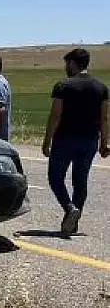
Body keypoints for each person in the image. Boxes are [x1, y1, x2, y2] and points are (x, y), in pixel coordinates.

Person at [41, 48, 110, 235]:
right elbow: (104, 118)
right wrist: (105, 143)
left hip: (65, 139)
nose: (65, 67)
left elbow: (55, 115)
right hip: (89, 141)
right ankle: (73, 222)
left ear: (72, 63)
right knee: (80, 181)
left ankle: (70, 209)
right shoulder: (101, 88)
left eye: (67, 63)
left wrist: (47, 140)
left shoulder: (63, 85)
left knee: (55, 178)